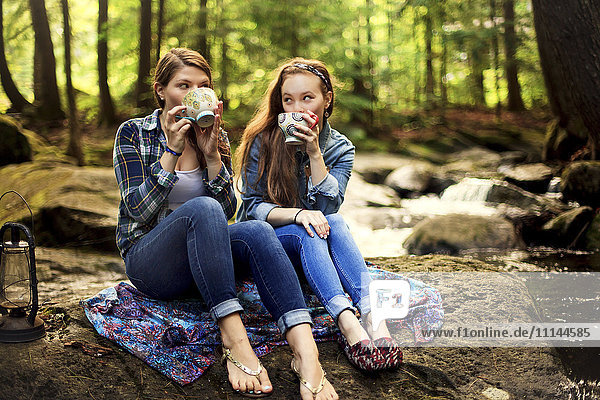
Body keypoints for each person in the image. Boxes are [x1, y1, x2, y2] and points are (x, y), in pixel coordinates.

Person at [113, 48, 338, 400]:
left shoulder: (214, 134)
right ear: (161, 91)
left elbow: (228, 211)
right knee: (200, 208)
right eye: (182, 85)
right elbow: (137, 210)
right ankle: (234, 338)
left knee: (257, 230)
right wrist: (172, 151)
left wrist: (212, 156)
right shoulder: (134, 133)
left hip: (205, 263)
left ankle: (305, 353)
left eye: (202, 85)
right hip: (151, 262)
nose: (193, 93)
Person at [236, 58, 403, 371]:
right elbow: (251, 209)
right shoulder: (262, 140)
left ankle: (373, 317)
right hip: (269, 245)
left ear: (327, 99)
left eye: (307, 98)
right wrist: (297, 214)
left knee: (334, 221)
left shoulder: (341, 148)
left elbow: (328, 210)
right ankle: (346, 322)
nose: (296, 108)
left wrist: (314, 153)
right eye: (288, 100)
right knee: (308, 227)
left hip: (315, 244)